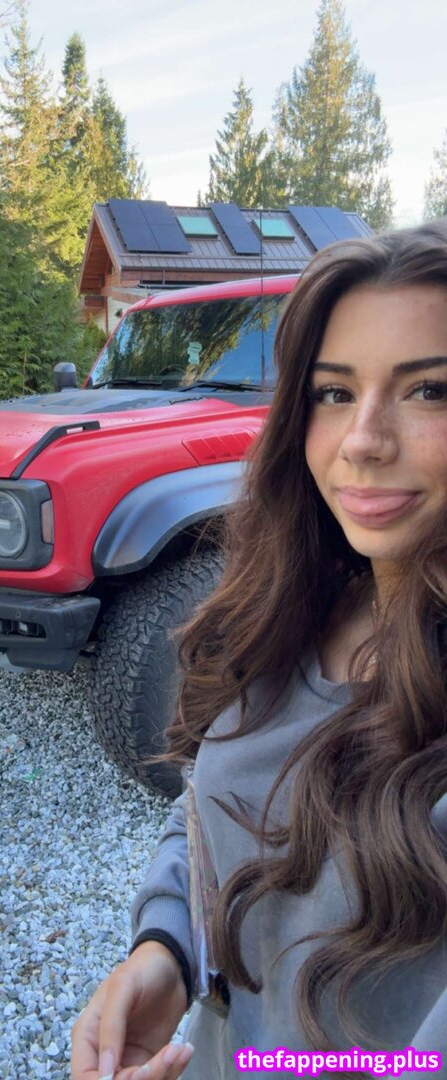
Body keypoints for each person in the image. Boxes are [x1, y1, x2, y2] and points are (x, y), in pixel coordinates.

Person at [70, 220, 447, 1080]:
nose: (363, 440)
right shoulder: (302, 603)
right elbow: (215, 798)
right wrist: (167, 947)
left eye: (429, 390)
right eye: (333, 392)